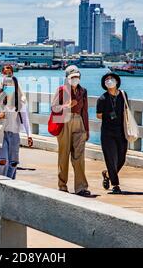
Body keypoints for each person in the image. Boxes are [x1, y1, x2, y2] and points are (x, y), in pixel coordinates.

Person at [51, 65, 91, 197]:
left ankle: (81, 187)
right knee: (64, 154)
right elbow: (54, 108)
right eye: (72, 77)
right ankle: (62, 185)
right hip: (64, 121)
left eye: (77, 77)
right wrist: (67, 106)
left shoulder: (83, 91)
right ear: (67, 78)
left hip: (79, 121)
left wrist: (87, 129)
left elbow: (85, 111)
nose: (75, 79)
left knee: (79, 156)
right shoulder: (61, 90)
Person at [0, 76, 33, 179]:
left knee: (13, 162)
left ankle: (10, 183)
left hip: (14, 134)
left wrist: (29, 135)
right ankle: (0, 182)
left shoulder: (20, 102)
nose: (9, 87)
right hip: (0, 134)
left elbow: (25, 119)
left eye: (11, 85)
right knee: (2, 161)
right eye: (6, 85)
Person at [96, 72, 129, 195]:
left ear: (117, 81)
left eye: (111, 79)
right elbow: (99, 116)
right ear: (104, 84)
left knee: (121, 158)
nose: (109, 81)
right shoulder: (102, 99)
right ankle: (115, 185)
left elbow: (126, 110)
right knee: (110, 159)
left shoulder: (123, 95)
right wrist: (109, 114)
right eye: (107, 79)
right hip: (107, 133)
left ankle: (108, 175)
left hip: (121, 131)